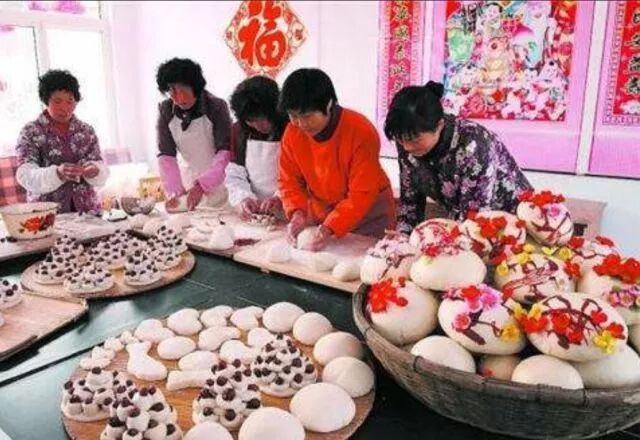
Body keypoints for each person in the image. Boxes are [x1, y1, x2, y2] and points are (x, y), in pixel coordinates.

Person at [384, 81, 532, 235]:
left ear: (439, 126)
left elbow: (473, 220)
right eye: (399, 139)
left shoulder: (473, 143)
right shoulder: (407, 137)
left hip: (515, 222)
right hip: (468, 222)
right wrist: (401, 239)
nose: (406, 147)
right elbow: (410, 203)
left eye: (414, 140)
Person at [278, 68, 396, 251]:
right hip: (324, 215)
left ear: (329, 104)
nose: (300, 124)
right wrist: (297, 213)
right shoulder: (292, 133)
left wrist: (330, 227)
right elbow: (289, 181)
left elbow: (362, 193)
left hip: (368, 215)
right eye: (293, 116)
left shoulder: (361, 131)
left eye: (307, 116)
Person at [15, 69, 109, 213]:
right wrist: (57, 173)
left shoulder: (86, 131)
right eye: (57, 101)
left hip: (88, 212)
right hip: (47, 214)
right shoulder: (31, 132)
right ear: (46, 100)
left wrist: (95, 170)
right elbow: (25, 175)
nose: (64, 108)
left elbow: (99, 164)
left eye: (70, 101)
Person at [155, 58, 231, 210]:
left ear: (195, 86)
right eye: (172, 91)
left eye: (182, 90)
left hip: (220, 186)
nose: (179, 98)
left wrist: (202, 185)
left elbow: (225, 153)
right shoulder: (166, 111)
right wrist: (175, 192)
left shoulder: (216, 107)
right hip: (188, 185)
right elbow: (166, 156)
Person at [225, 75, 288, 219]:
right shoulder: (239, 131)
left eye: (262, 119)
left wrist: (280, 197)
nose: (258, 126)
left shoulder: (291, 128)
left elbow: (300, 177)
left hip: (290, 209)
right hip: (254, 212)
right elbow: (235, 173)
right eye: (251, 121)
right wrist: (244, 198)